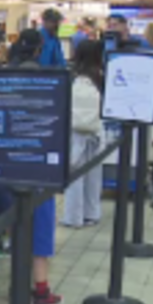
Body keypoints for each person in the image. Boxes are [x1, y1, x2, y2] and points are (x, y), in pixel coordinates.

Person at [8, 29, 63, 304]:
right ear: (40, 50)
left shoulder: (1, 76)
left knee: (15, 225)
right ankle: (41, 291)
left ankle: (16, 284)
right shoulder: (46, 79)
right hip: (37, 163)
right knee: (40, 227)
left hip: (4, 163)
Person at [63, 40, 104, 228]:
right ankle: (92, 213)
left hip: (74, 132)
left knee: (74, 176)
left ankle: (73, 217)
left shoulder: (70, 75)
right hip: (96, 131)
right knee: (94, 175)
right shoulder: (101, 76)